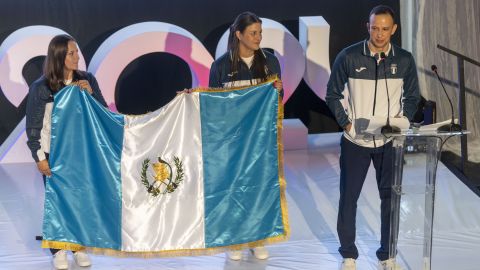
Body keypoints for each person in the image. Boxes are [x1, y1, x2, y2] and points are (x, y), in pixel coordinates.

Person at [325, 5, 420, 270]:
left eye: (385, 29)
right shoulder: (349, 56)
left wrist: (404, 122)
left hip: (389, 142)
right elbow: (332, 93)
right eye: (375, 28)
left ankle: (387, 255)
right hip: (356, 142)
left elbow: (412, 96)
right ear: (368, 27)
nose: (379, 34)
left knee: (390, 198)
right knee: (349, 198)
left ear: (394, 30)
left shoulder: (404, 59)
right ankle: (349, 254)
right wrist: (345, 123)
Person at [26, 34, 107, 270]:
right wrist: (39, 158)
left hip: (82, 155)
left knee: (82, 201)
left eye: (77, 52)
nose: (77, 56)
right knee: (58, 203)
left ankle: (78, 246)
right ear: (59, 56)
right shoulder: (41, 87)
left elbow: (104, 113)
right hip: (54, 155)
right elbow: (34, 127)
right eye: (71, 53)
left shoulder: (87, 79)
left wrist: (91, 94)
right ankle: (58, 250)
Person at [208, 11, 283, 261]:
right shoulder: (220, 66)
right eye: (253, 33)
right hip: (232, 142)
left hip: (261, 141)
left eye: (260, 33)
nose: (258, 37)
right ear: (239, 34)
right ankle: (236, 239)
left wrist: (278, 92)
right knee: (233, 189)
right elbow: (214, 105)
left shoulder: (271, 62)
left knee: (259, 188)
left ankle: (257, 237)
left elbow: (276, 103)